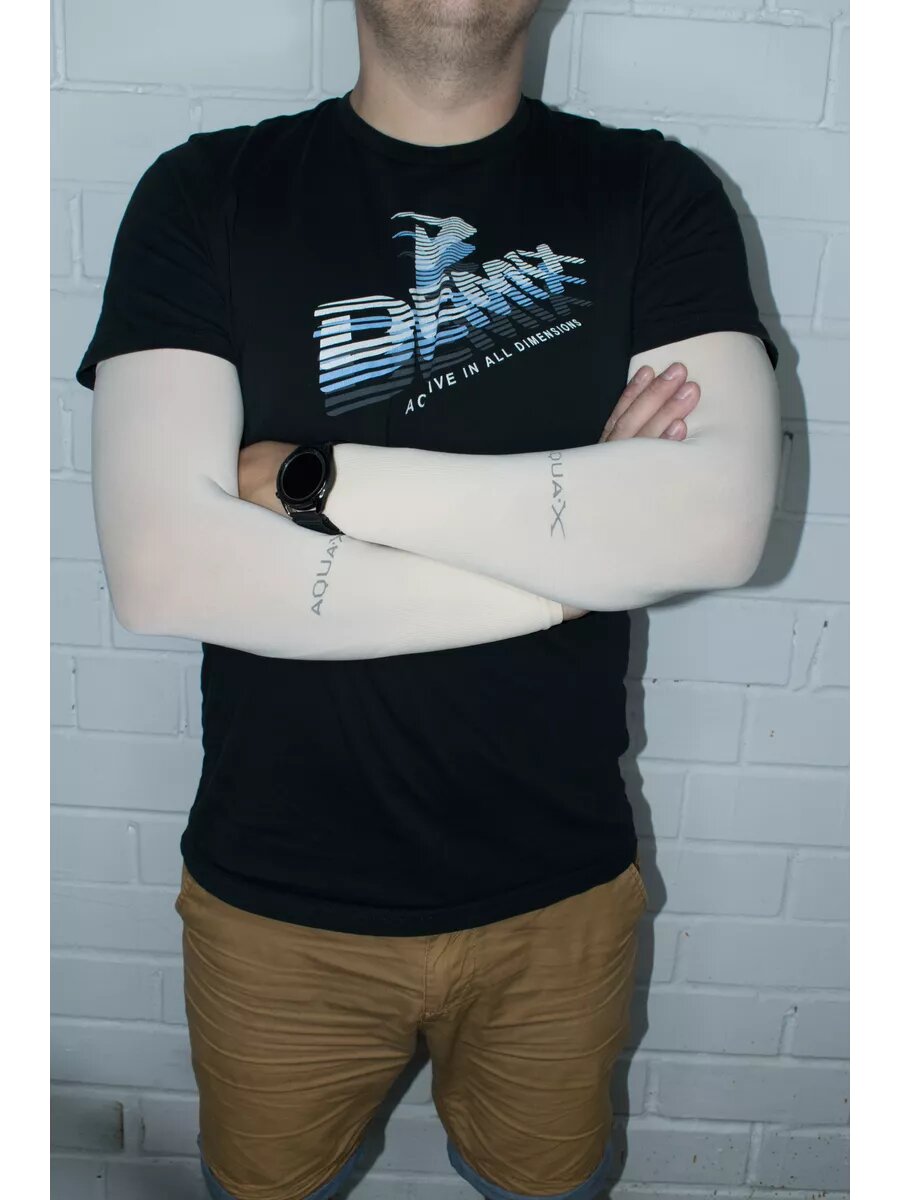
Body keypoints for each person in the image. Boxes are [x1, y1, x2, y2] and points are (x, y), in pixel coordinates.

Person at [74, 2, 781, 1197]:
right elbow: (164, 572)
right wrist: (568, 568)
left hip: (558, 897)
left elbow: (715, 528)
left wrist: (314, 480)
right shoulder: (206, 191)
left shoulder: (653, 190)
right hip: (278, 903)